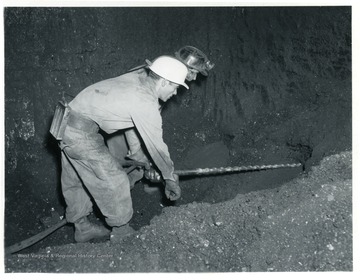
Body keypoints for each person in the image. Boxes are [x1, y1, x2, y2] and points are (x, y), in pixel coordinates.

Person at [56, 55, 192, 244]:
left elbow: (132, 127)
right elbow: (157, 147)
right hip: (80, 132)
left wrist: (141, 159)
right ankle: (122, 233)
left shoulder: (139, 76)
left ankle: (82, 228)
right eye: (175, 87)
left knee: (75, 177)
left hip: (64, 120)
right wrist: (169, 177)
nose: (175, 93)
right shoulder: (145, 103)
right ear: (163, 82)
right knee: (115, 181)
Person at [106, 46, 214, 191]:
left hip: (118, 114)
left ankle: (132, 183)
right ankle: (116, 195)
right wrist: (145, 160)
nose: (194, 78)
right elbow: (134, 127)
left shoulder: (160, 69)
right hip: (118, 122)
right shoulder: (160, 81)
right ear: (185, 67)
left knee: (137, 161)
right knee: (124, 166)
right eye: (194, 72)